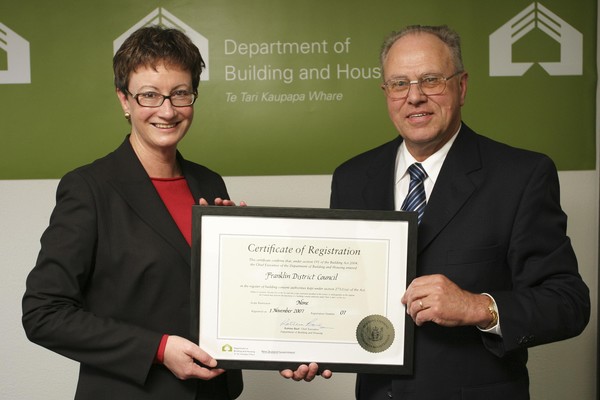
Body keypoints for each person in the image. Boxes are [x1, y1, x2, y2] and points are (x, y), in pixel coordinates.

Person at [284, 25, 590, 399]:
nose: (414, 97)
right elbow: (342, 294)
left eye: (430, 80)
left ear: (461, 86)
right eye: (399, 84)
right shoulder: (352, 178)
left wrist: (478, 306)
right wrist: (308, 340)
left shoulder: (520, 176)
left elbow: (568, 303)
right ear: (386, 93)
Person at [22, 26, 244, 400]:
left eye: (180, 93)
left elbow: (223, 299)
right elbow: (43, 313)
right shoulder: (89, 189)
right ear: (124, 101)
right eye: (149, 96)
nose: (168, 110)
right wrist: (158, 349)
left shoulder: (209, 184)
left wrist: (243, 251)